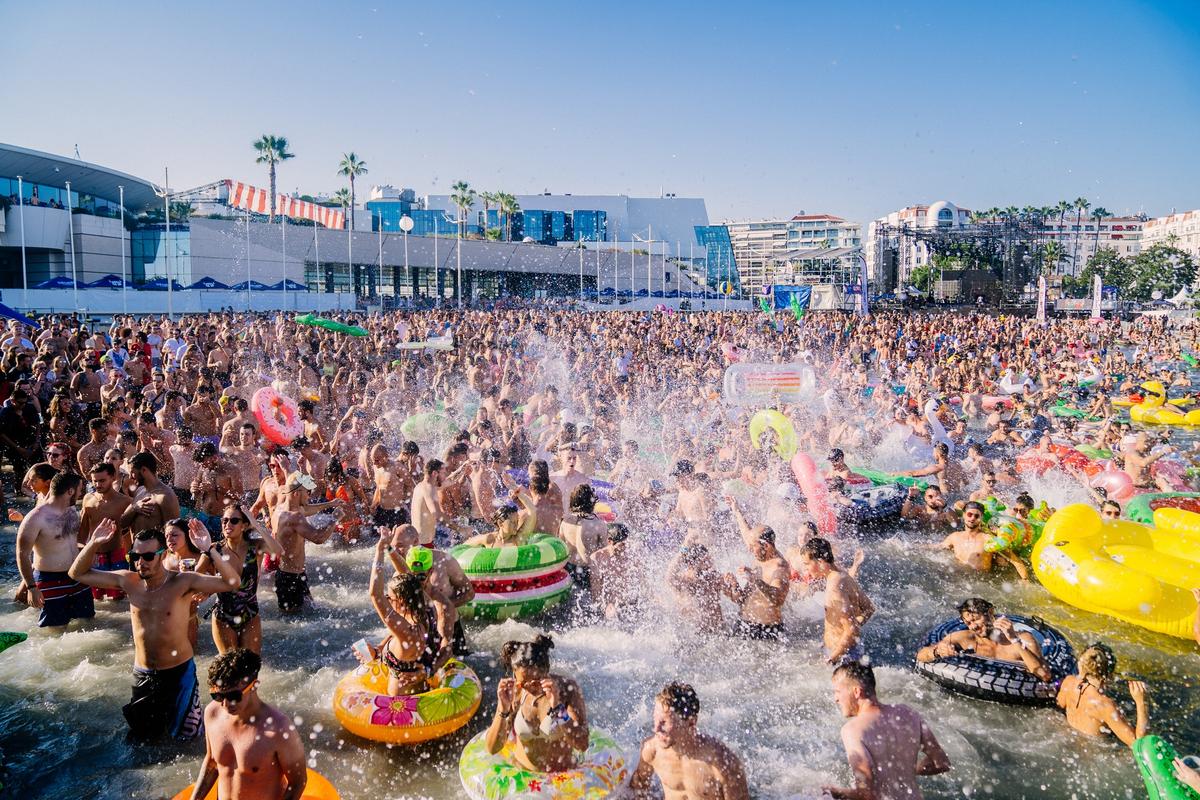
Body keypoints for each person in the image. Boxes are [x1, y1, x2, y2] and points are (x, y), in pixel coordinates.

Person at [69, 518, 240, 741]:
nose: (142, 562)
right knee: (144, 742)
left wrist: (209, 549)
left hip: (179, 674)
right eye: (136, 557)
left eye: (148, 556)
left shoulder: (182, 582)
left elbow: (232, 582)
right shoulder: (128, 582)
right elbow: (76, 574)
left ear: (161, 555)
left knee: (185, 742)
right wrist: (93, 543)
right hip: (143, 674)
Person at [187, 648, 308, 800]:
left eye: (233, 696)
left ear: (254, 686)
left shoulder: (278, 728)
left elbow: (298, 782)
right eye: (218, 695)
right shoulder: (212, 713)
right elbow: (212, 762)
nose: (224, 704)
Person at [823, 661, 951, 800]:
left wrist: (832, 792)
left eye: (837, 692)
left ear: (856, 691)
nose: (836, 699)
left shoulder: (852, 730)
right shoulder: (907, 713)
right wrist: (908, 770)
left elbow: (866, 794)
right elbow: (942, 763)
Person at [629, 682, 751, 800]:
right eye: (655, 718)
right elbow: (637, 791)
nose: (656, 728)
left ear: (691, 722)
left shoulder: (723, 765)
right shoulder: (652, 750)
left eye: (664, 722)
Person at [486, 635, 589, 773]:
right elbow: (492, 748)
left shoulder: (567, 690)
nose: (530, 687)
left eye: (535, 682)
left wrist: (558, 707)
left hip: (562, 779)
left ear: (546, 671)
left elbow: (582, 744)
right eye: (523, 682)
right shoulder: (515, 692)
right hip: (522, 774)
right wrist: (502, 708)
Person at [367, 534, 451, 694]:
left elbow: (375, 594)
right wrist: (388, 548)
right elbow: (408, 575)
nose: (386, 599)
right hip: (420, 691)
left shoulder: (406, 632)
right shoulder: (426, 610)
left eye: (389, 597)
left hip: (399, 704)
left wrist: (379, 551)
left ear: (401, 601)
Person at [199, 503, 282, 654]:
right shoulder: (213, 549)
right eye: (224, 520)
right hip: (223, 614)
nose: (227, 524)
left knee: (251, 666)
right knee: (230, 666)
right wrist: (207, 591)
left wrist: (256, 525)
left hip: (250, 613)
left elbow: (278, 551)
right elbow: (196, 577)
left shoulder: (255, 547)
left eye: (234, 521)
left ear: (244, 525)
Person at [16, 472, 94, 628]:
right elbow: (22, 554)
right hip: (50, 580)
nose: (81, 493)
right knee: (55, 631)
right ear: (70, 492)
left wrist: (88, 551)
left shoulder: (71, 510)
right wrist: (32, 587)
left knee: (88, 623)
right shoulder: (35, 518)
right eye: (79, 490)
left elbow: (69, 542)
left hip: (78, 575)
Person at [916, 597, 1051, 681]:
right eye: (968, 623)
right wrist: (938, 651)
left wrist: (1014, 639)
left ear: (990, 613)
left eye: (976, 619)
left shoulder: (1023, 638)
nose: (973, 626)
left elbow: (1044, 675)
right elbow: (921, 655)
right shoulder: (963, 639)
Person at [793, 538, 875, 666]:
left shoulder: (834, 588)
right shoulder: (843, 575)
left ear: (820, 562)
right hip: (849, 652)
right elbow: (869, 608)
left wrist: (832, 658)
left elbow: (851, 629)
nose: (806, 569)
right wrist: (853, 625)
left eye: (807, 564)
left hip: (841, 656)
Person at [720, 497, 790, 640]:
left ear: (766, 546)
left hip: (765, 631)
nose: (749, 549)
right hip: (743, 624)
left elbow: (777, 600)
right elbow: (748, 536)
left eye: (753, 546)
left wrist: (755, 580)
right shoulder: (760, 556)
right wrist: (734, 586)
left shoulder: (779, 566)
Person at [271, 471, 340, 613]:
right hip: (290, 580)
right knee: (292, 625)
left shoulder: (281, 509)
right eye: (307, 492)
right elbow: (319, 538)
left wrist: (330, 504)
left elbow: (307, 509)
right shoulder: (295, 518)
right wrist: (334, 519)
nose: (309, 496)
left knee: (309, 614)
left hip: (289, 575)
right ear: (296, 494)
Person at [1055, 642, 1149, 747]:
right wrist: (1141, 702)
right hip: (1092, 754)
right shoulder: (1105, 706)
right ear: (1109, 675)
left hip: (1067, 741)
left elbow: (1057, 708)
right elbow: (1139, 745)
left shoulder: (1068, 682)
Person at [78, 461, 133, 601]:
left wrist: (130, 557)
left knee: (119, 601)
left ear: (113, 477)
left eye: (102, 480)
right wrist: (82, 550)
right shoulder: (88, 499)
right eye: (94, 481)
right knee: (96, 600)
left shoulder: (125, 501)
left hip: (117, 555)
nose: (98, 485)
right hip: (95, 556)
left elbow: (131, 532)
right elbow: (83, 529)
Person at [667, 543, 724, 634]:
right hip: (697, 633)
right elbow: (669, 578)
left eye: (709, 559)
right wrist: (684, 548)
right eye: (705, 560)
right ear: (692, 564)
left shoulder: (712, 576)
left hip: (718, 631)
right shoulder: (687, 580)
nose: (710, 562)